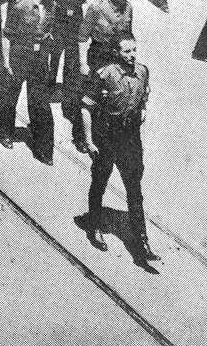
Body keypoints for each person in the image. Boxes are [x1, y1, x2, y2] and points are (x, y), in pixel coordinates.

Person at [81, 38, 160, 265]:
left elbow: (143, 98)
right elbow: (86, 107)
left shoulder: (143, 72)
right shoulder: (105, 74)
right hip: (107, 136)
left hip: (130, 139)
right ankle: (94, 225)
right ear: (117, 53)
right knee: (100, 182)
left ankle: (142, 242)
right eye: (127, 51)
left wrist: (141, 115)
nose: (132, 54)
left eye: (134, 49)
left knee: (135, 189)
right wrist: (89, 140)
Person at [0, 0, 57, 164]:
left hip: (39, 58)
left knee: (40, 101)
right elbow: (7, 34)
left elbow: (48, 32)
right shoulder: (21, 6)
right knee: (11, 94)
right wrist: (6, 61)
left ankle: (43, 149)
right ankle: (5, 131)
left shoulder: (52, 6)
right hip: (20, 55)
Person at [51, 0, 89, 152]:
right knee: (55, 56)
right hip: (58, 22)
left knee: (73, 61)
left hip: (75, 21)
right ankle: (48, 87)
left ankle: (68, 94)